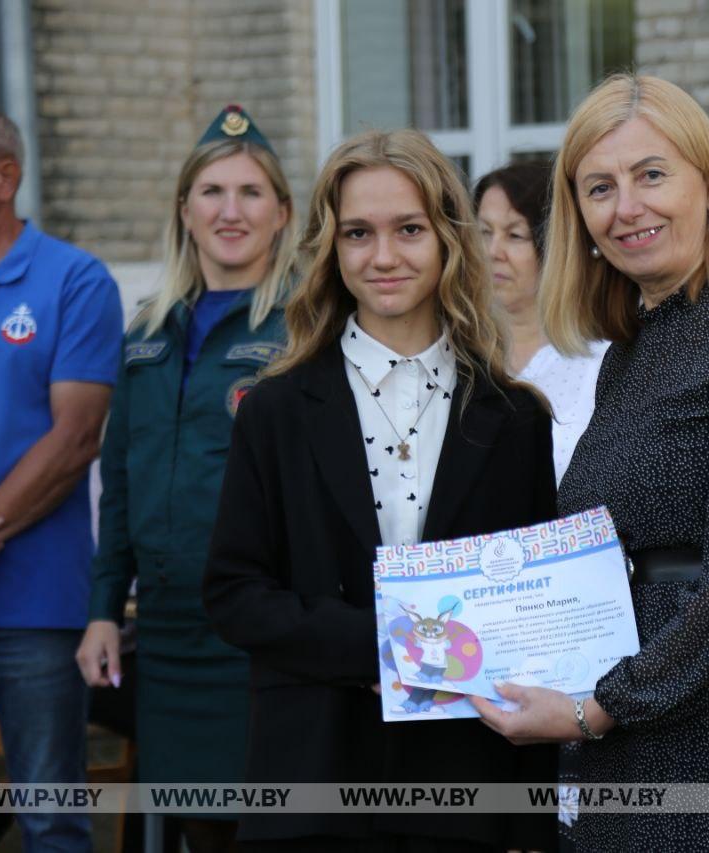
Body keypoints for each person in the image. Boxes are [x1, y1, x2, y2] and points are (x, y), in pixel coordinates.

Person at [470, 74, 709, 852]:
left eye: (651, 175)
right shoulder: (632, 351)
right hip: (634, 717)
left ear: (708, 183)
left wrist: (596, 708)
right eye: (599, 188)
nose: (626, 208)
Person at [202, 129, 558, 851]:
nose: (384, 256)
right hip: (311, 779)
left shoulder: (514, 417)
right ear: (331, 247)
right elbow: (233, 591)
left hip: (465, 788)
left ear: (448, 240)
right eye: (358, 233)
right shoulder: (272, 409)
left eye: (409, 230)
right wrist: (383, 648)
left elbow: (532, 611)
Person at [74, 105, 298, 852]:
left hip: (260, 630)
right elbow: (123, 479)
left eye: (250, 192)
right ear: (184, 210)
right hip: (166, 631)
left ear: (281, 213)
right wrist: (106, 608)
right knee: (193, 829)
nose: (229, 211)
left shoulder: (304, 329)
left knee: (263, 826)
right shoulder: (145, 333)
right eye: (211, 192)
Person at [0, 102, 123, 852]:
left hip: (36, 603)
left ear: (5, 177)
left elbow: (76, 436)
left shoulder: (73, 280)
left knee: (49, 815)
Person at [473, 161, 608, 483]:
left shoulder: (600, 361)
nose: (493, 251)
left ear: (554, 246)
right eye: (484, 232)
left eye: (515, 235)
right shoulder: (454, 353)